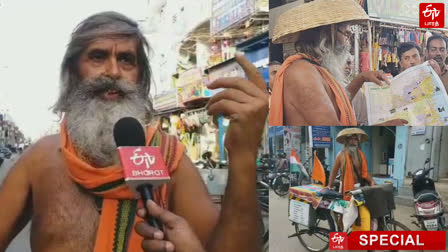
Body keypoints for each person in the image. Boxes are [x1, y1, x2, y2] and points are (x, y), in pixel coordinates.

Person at [0, 12, 268, 252]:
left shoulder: (168, 157)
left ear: (140, 78)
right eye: (98, 56)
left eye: (126, 60)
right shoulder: (40, 158)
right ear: (73, 71)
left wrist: (243, 155)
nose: (113, 71)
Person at [269, 0, 407, 126]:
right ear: (328, 33)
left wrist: (361, 78)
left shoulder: (314, 68)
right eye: (346, 34)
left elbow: (338, 104)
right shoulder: (302, 72)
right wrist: (383, 126)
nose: (349, 42)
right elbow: (332, 130)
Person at [326, 128, 375, 231]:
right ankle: (342, 233)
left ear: (358, 141)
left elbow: (365, 173)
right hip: (345, 189)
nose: (353, 141)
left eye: (355, 139)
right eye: (351, 139)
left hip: (359, 187)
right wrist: (329, 185)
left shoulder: (361, 155)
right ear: (346, 141)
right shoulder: (341, 155)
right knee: (345, 214)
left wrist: (371, 181)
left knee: (362, 213)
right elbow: (334, 172)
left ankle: (356, 231)